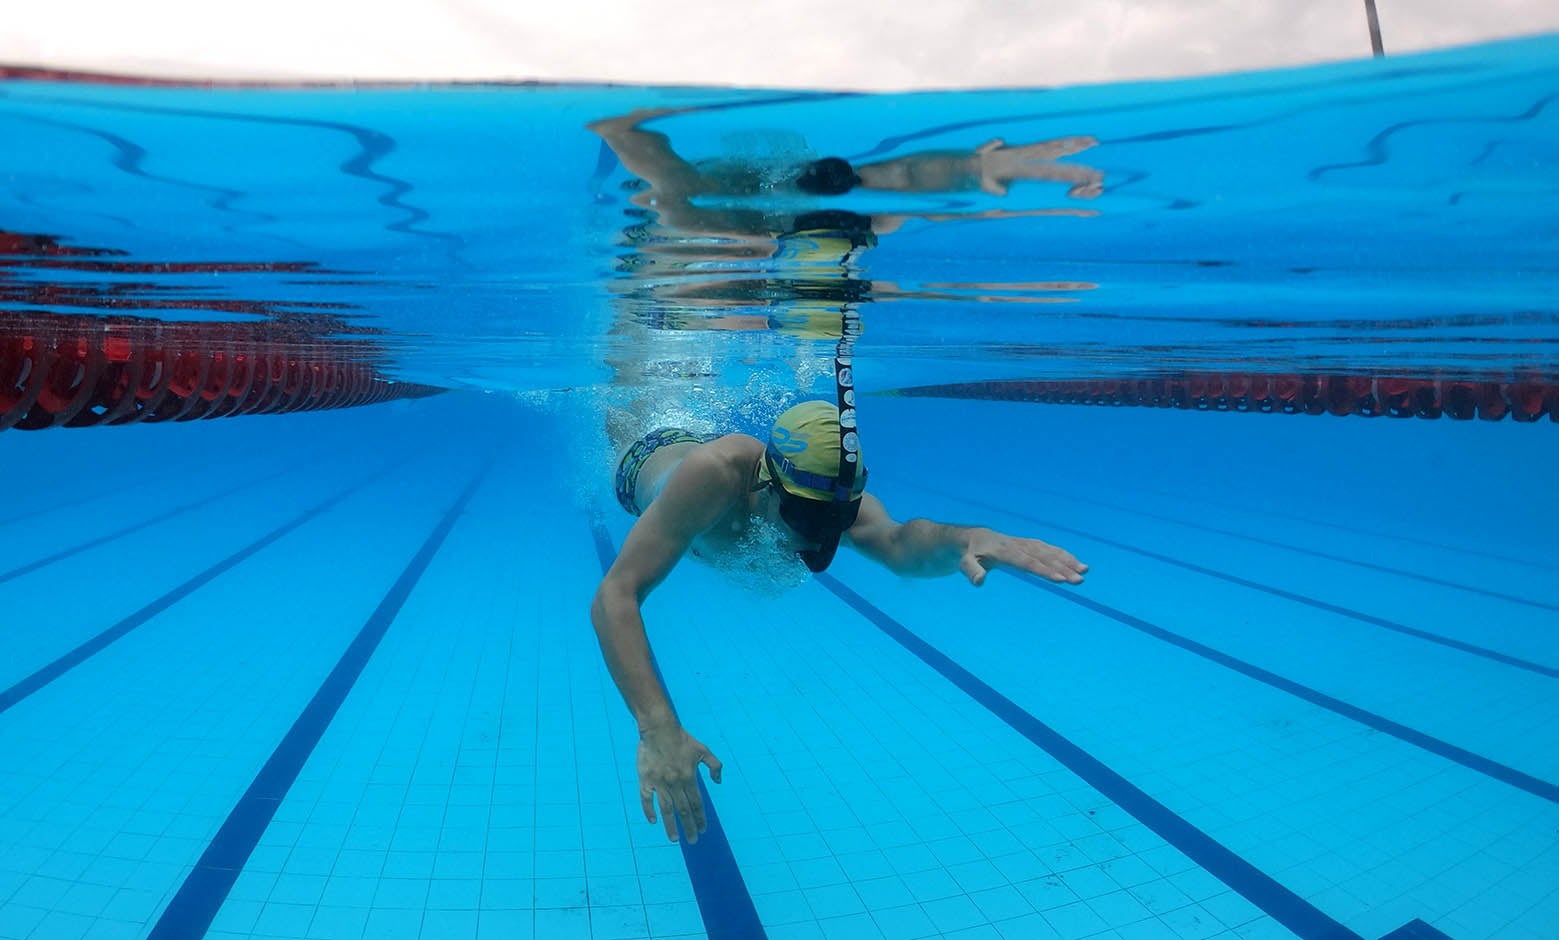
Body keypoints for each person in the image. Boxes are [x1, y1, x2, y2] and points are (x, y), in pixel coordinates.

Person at [590, 398, 1088, 844]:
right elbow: (616, 594)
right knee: (631, 394)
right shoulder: (714, 478)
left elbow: (897, 543)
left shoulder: (826, 495)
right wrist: (657, 728)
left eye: (840, 522)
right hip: (644, 460)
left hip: (716, 459)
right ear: (767, 484)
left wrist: (965, 538)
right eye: (808, 520)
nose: (821, 540)